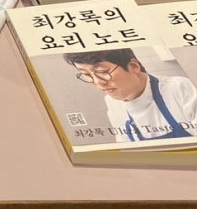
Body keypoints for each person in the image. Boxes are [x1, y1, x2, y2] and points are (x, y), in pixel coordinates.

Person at [65, 47, 197, 142]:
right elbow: (126, 146)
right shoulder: (112, 102)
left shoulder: (179, 88)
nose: (98, 82)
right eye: (86, 74)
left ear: (134, 66)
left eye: (103, 71)